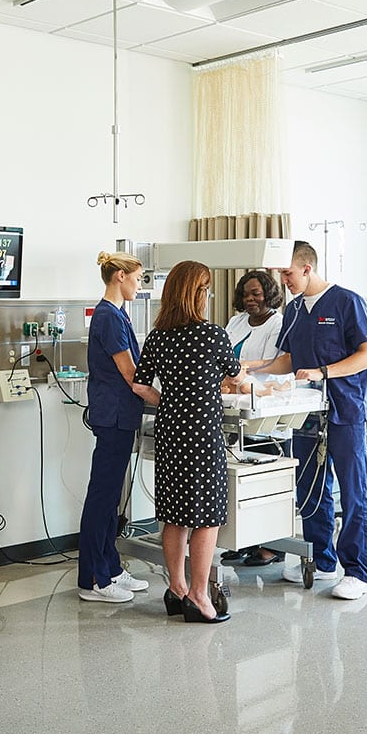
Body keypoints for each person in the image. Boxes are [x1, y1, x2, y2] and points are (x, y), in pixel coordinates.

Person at [253, 241, 367, 601]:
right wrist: (249, 367)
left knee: (353, 493)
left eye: (288, 273)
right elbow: (286, 360)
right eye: (280, 273)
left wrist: (324, 372)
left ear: (307, 268)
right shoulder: (293, 312)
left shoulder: (346, 302)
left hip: (345, 411)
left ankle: (359, 571)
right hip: (306, 413)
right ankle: (322, 561)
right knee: (311, 489)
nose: (284, 280)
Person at [132, 260, 242, 623]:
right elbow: (236, 375)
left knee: (174, 514)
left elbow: (139, 384)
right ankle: (199, 595)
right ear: (198, 294)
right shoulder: (212, 335)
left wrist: (170, 402)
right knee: (207, 516)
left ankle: (176, 589)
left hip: (169, 430)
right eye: (207, 289)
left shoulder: (157, 337)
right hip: (201, 433)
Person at [76, 251, 153, 603]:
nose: (140, 285)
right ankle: (94, 579)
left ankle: (112, 567)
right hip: (113, 417)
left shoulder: (117, 315)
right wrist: (165, 397)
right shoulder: (107, 317)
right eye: (137, 279)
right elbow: (130, 374)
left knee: (110, 500)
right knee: (102, 498)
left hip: (121, 416)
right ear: (120, 276)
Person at [223, 270, 289, 567]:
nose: (251, 299)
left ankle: (272, 546)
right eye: (246, 294)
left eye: (257, 294)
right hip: (237, 399)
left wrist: (240, 367)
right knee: (239, 479)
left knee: (264, 480)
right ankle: (245, 540)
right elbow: (221, 353)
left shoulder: (277, 322)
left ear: (269, 294)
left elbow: (273, 363)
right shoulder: (236, 322)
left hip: (265, 401)